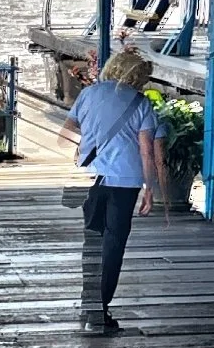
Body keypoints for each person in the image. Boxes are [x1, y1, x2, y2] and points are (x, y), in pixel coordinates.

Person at [65, 44, 165, 332]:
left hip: (91, 178)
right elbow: (146, 150)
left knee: (93, 242)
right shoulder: (141, 103)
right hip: (125, 182)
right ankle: (100, 310)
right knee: (113, 245)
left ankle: (88, 304)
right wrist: (150, 188)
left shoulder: (89, 94)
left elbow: (72, 129)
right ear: (137, 77)